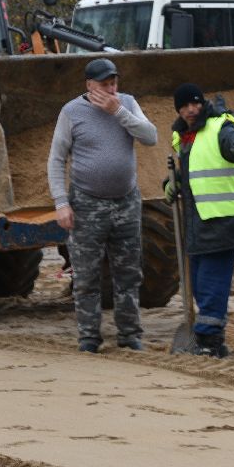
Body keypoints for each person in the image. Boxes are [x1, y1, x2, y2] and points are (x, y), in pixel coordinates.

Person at [48, 57, 159, 353]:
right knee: (86, 275)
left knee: (129, 273)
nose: (111, 89)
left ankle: (130, 334)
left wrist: (118, 111)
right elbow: (57, 159)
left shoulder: (127, 103)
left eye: (114, 83)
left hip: (126, 202)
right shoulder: (72, 112)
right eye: (104, 84)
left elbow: (151, 137)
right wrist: (61, 202)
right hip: (86, 202)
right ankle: (88, 337)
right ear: (89, 85)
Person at [166, 82, 234, 358]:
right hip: (196, 222)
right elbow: (195, 171)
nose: (190, 110)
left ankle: (209, 340)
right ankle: (209, 335)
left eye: (194, 104)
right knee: (198, 279)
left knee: (211, 283)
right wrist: (173, 183)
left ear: (201, 103)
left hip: (221, 221)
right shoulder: (185, 136)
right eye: (183, 106)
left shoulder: (220, 126)